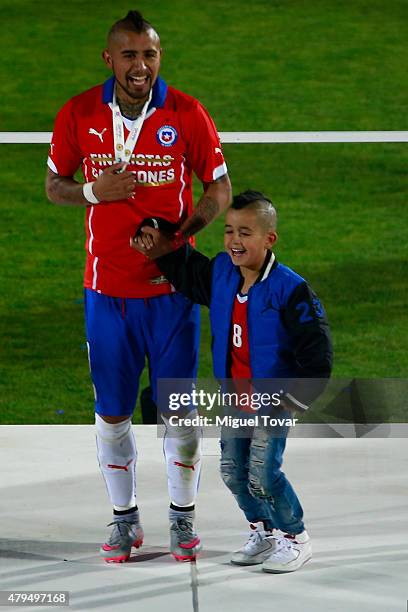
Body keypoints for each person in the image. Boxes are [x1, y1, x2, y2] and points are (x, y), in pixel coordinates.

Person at [45, 10, 232, 563]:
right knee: (112, 413)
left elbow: (218, 189)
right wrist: (95, 193)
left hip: (170, 297)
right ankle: (124, 521)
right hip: (106, 293)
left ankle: (182, 519)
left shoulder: (187, 113)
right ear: (110, 59)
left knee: (179, 413)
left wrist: (181, 238)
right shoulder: (79, 113)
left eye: (149, 55)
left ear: (159, 58)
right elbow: (55, 186)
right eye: (129, 55)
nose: (140, 66)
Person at [132, 190, 333, 573]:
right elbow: (190, 272)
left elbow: (318, 355)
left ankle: (297, 538)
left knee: (263, 474)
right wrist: (158, 237)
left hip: (274, 402)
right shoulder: (223, 273)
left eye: (245, 232)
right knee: (233, 472)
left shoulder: (292, 290)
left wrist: (291, 403)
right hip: (235, 400)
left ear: (269, 238)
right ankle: (264, 532)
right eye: (229, 231)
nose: (235, 241)